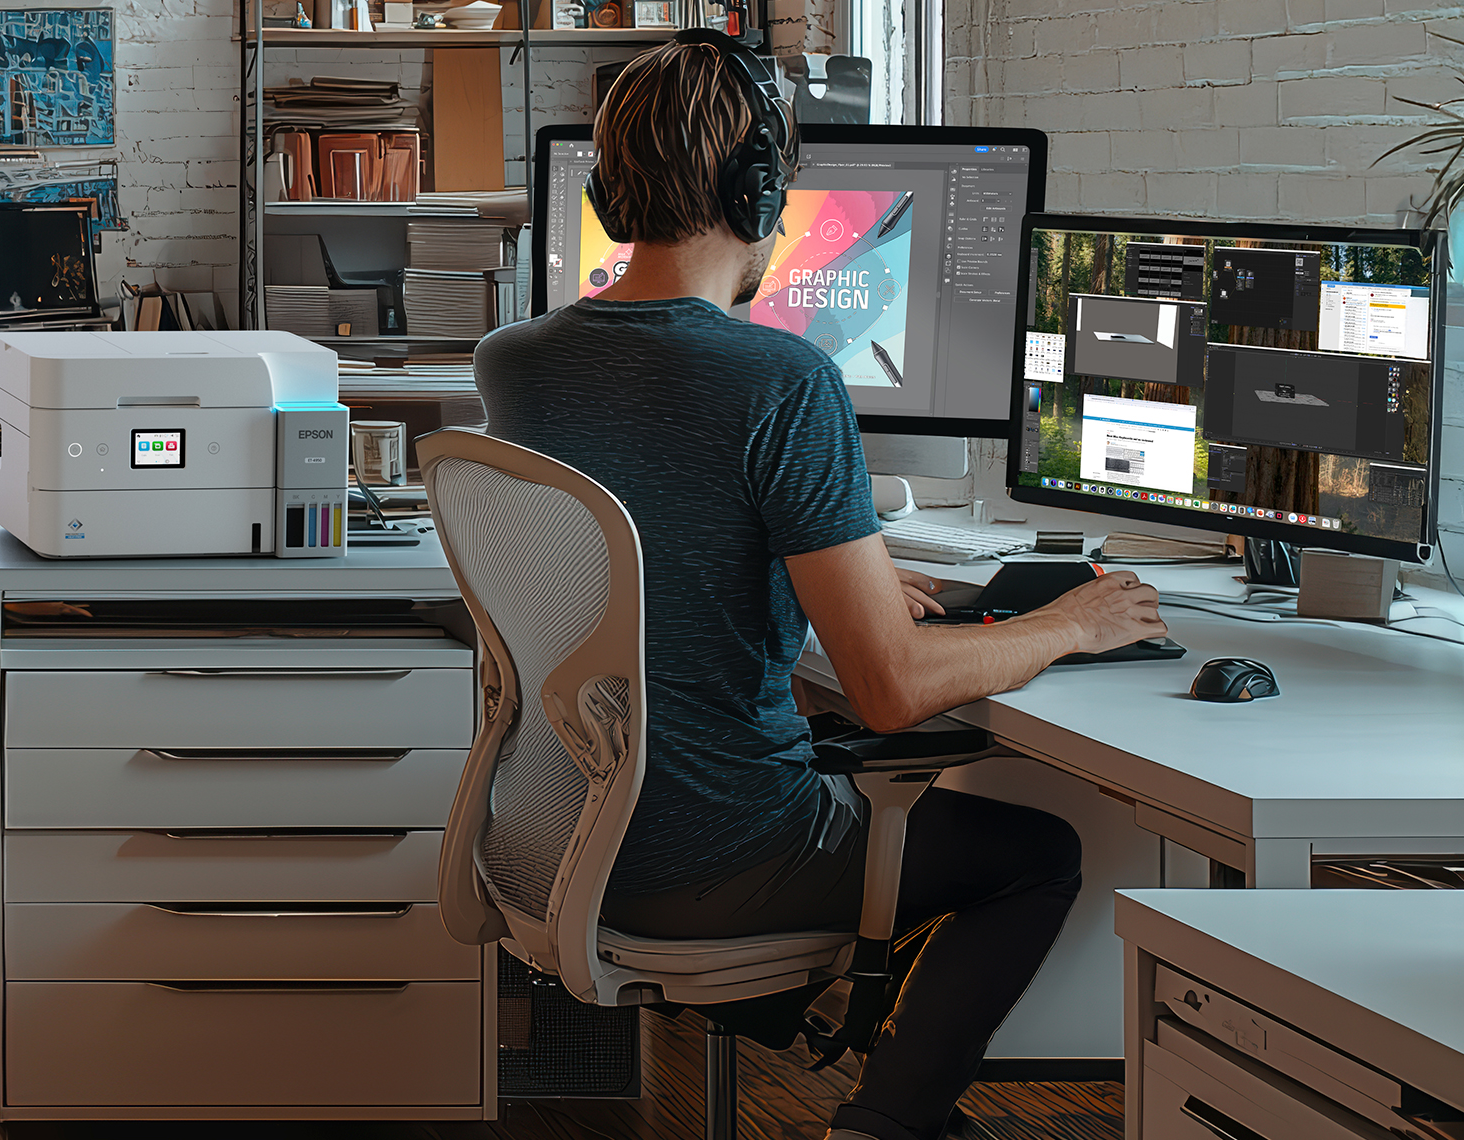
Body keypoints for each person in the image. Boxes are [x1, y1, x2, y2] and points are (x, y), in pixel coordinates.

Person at [472, 31, 1167, 1140]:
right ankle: (885, 1121)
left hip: (553, 839)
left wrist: (822, 549)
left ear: (607, 193)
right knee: (1038, 857)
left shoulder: (514, 360)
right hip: (722, 853)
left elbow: (637, 524)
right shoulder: (783, 378)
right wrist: (1071, 623)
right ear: (761, 193)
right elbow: (886, 691)